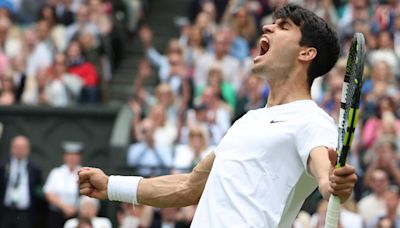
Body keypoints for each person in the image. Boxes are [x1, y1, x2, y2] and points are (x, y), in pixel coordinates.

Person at [78, 4, 357, 227]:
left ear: (306, 53)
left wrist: (333, 183)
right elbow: (189, 186)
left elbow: (325, 173)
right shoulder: (246, 122)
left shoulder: (313, 120)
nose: (267, 26)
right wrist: (112, 186)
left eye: (283, 27)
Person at [0, 135, 43, 228]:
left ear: (28, 149)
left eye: (23, 148)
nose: (19, 150)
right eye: (17, 147)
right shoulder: (3, 166)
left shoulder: (35, 169)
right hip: (5, 212)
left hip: (26, 213)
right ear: (11, 148)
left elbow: (38, 190)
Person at [44, 141, 83, 228]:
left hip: (77, 214)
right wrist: (64, 207)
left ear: (79, 157)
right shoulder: (56, 172)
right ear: (64, 157)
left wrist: (75, 209)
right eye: (69, 155)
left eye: (75, 155)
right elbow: (48, 193)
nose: (72, 158)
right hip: (56, 214)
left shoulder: (84, 173)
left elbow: (87, 196)